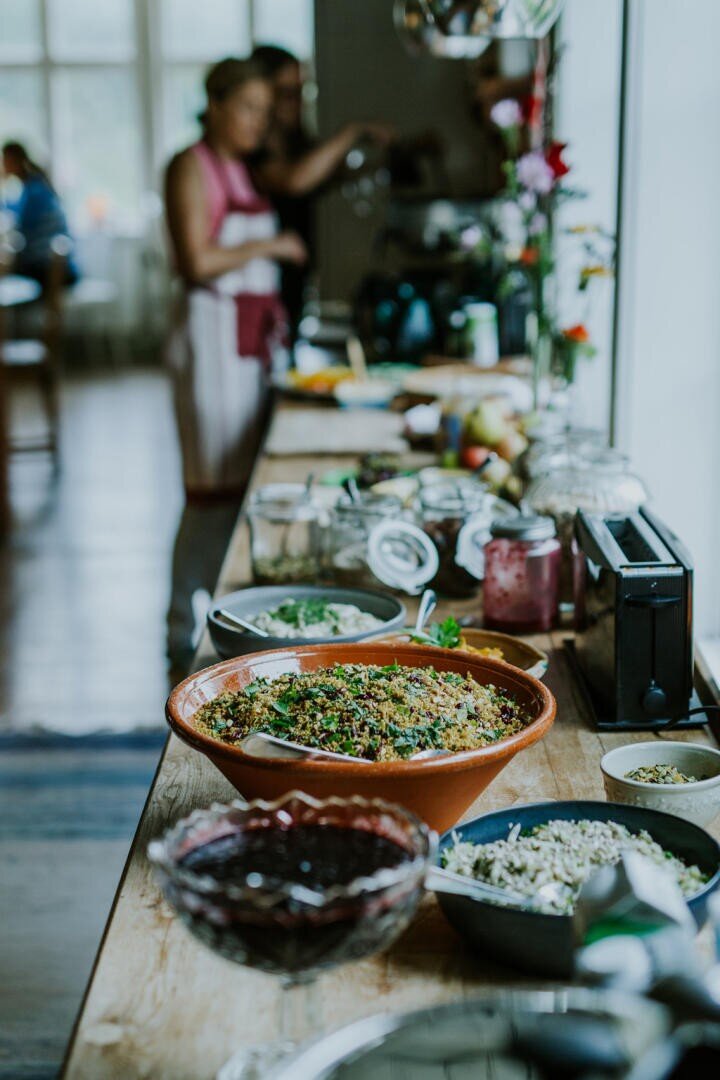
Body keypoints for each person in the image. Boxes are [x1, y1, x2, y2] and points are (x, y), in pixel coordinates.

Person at [164, 56, 306, 675]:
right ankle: (181, 620)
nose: (257, 122)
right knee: (209, 489)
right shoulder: (189, 166)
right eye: (247, 108)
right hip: (209, 343)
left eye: (264, 111)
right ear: (215, 105)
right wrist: (271, 245)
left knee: (238, 483)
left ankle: (222, 610)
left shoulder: (243, 167)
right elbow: (196, 261)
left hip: (245, 345)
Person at [251, 44, 394, 339]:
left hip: (295, 278)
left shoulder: (295, 143)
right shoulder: (254, 151)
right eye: (286, 93)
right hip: (261, 284)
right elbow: (294, 180)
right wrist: (353, 130)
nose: (297, 102)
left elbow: (330, 175)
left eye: (300, 91)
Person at [1, 141, 79, 286]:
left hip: (51, 265)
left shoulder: (35, 191)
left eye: (4, 161)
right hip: (45, 262)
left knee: (4, 262)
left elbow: (19, 224)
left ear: (14, 161)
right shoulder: (33, 186)